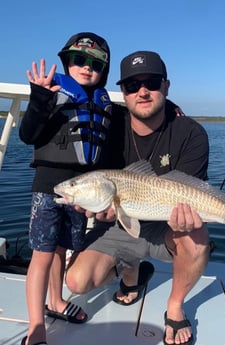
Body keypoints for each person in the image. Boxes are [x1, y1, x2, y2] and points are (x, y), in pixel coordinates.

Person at [65, 50, 210, 345]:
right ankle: (133, 275)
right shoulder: (109, 127)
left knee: (196, 237)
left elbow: (189, 191)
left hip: (165, 224)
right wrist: (97, 206)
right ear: (123, 91)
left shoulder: (191, 133)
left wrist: (188, 218)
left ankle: (175, 306)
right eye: (132, 85)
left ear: (166, 87)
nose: (142, 91)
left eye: (152, 83)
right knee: (76, 282)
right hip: (121, 218)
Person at [19, 32, 112, 345]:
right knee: (42, 256)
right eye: (79, 61)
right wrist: (39, 100)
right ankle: (36, 327)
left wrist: (172, 107)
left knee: (61, 249)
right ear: (67, 63)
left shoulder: (103, 101)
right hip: (50, 188)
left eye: (95, 64)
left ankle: (56, 302)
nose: (86, 68)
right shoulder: (53, 92)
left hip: (83, 190)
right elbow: (28, 134)